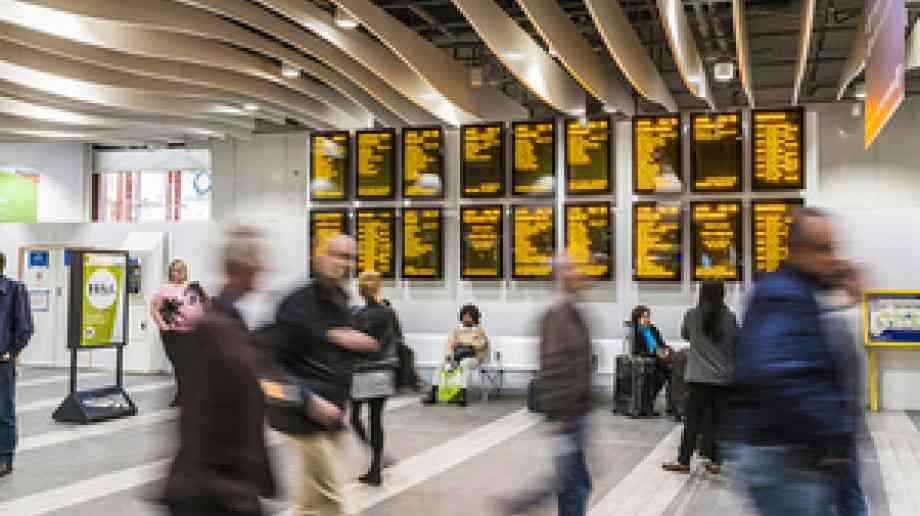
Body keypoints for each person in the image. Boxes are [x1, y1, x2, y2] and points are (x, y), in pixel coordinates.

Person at [730, 208, 860, 516]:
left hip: (793, 456)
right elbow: (777, 374)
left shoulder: (795, 291)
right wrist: (832, 430)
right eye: (824, 249)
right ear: (800, 250)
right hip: (784, 461)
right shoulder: (783, 296)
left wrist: (843, 287)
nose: (833, 258)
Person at [268, 234, 378, 516]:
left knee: (310, 504)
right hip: (302, 418)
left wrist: (357, 344)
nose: (343, 264)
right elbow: (271, 367)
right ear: (317, 258)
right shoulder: (296, 304)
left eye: (349, 257)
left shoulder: (341, 301)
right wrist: (308, 400)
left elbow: (335, 350)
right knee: (330, 501)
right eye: (336, 255)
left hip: (331, 415)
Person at [503, 255, 593, 516]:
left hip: (578, 413)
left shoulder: (574, 311)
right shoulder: (556, 316)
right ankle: (521, 505)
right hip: (567, 414)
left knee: (573, 482)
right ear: (563, 277)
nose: (582, 274)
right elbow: (552, 368)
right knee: (573, 484)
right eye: (575, 269)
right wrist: (560, 414)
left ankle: (523, 504)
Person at [662, 281, 738, 474]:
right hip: (722, 377)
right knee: (719, 420)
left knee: (692, 421)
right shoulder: (730, 317)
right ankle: (716, 461)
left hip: (697, 377)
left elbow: (686, 335)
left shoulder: (692, 315)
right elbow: (736, 342)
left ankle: (684, 461)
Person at [350, 272, 398, 487]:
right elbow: (396, 339)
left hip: (361, 372)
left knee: (354, 418)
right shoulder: (388, 313)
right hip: (382, 372)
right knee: (376, 420)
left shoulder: (359, 315)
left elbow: (353, 342)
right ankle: (376, 465)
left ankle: (375, 456)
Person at [151, 258, 207, 406]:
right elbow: (154, 309)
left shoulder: (194, 287)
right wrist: (163, 325)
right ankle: (182, 395)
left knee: (191, 365)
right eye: (174, 270)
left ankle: (192, 394)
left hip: (192, 333)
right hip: (173, 333)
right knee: (179, 365)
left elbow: (206, 304)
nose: (177, 273)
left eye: (180, 270)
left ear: (185, 271)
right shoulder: (164, 289)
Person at [0, 251, 34, 478]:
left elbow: (25, 327)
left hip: (2, 361)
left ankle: (5, 458)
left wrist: (11, 352)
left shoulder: (13, 290)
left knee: (4, 411)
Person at [422, 304, 488, 407]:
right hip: (456, 356)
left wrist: (464, 344)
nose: (466, 319)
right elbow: (449, 344)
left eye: (469, 317)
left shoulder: (479, 331)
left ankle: (462, 394)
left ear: (474, 318)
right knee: (441, 364)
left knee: (464, 364)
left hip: (474, 358)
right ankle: (433, 393)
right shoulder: (456, 330)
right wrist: (449, 356)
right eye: (464, 316)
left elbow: (481, 345)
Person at [627, 305, 672, 411]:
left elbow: (662, 344)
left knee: (672, 369)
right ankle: (647, 402)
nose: (647, 319)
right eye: (644, 317)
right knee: (666, 371)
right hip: (648, 360)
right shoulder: (635, 331)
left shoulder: (653, 329)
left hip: (659, 358)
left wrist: (665, 350)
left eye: (648, 317)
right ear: (637, 318)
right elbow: (637, 351)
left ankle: (671, 405)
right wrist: (655, 352)